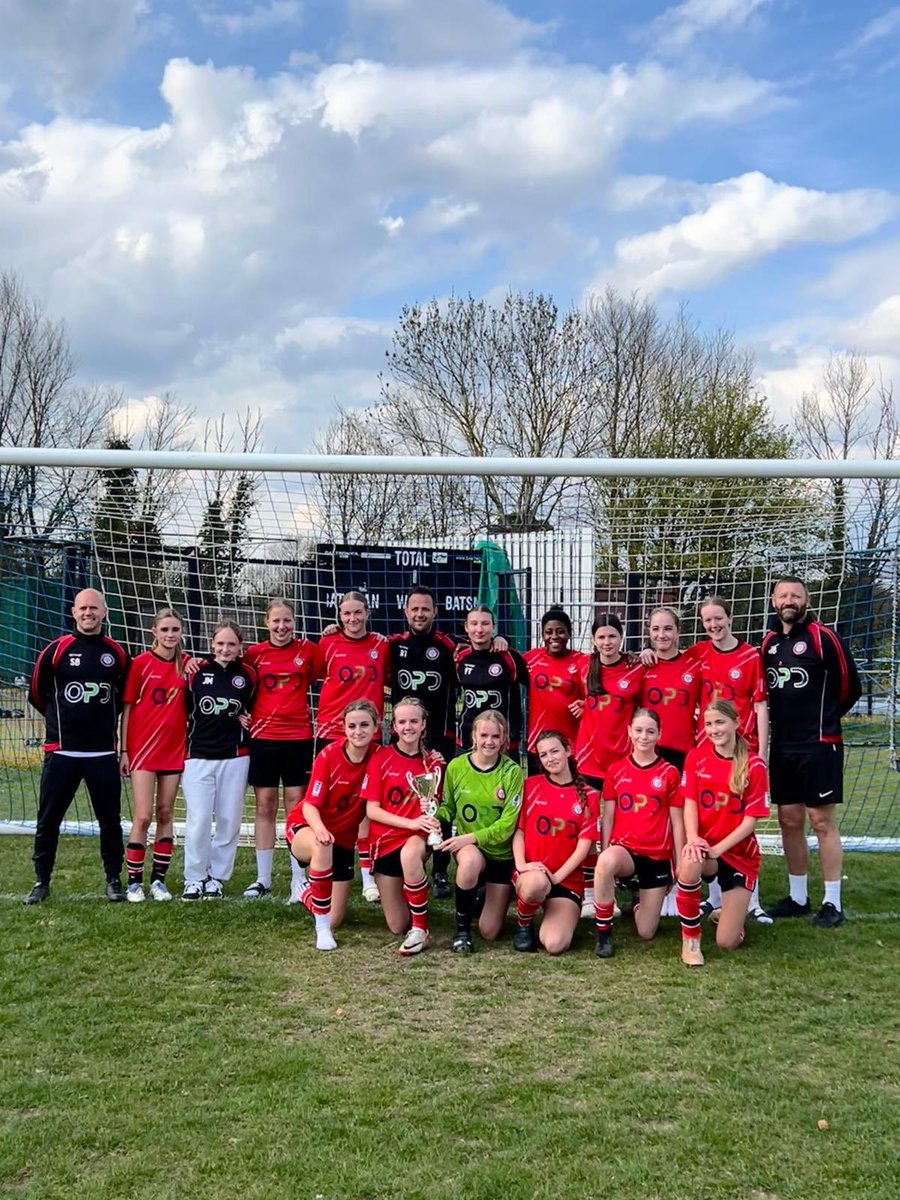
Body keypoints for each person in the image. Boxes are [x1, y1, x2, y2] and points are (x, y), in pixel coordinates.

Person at [761, 576, 861, 928]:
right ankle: (798, 897)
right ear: (774, 601)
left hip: (820, 745)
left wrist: (826, 721)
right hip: (783, 747)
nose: (789, 600)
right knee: (789, 820)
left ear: (806, 600)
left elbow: (850, 686)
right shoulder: (769, 643)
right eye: (783, 595)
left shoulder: (823, 636)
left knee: (821, 822)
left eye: (796, 595)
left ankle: (832, 902)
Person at [25, 588, 129, 905]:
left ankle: (113, 879)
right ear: (74, 612)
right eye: (83, 608)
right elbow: (37, 694)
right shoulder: (56, 650)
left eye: (94, 608)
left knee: (109, 821)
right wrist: (60, 724)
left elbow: (123, 700)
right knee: (48, 819)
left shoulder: (118, 654)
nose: (88, 613)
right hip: (62, 753)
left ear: (104, 612)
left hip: (102, 754)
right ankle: (41, 881)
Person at [689, 596, 770, 925]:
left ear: (730, 618)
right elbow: (671, 663)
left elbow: (761, 705)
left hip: (742, 750)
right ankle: (714, 898)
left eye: (718, 618)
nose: (713, 625)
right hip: (708, 749)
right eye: (707, 620)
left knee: (742, 819)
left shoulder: (751, 656)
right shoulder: (699, 653)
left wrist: (761, 752)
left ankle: (754, 900)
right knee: (711, 814)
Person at [675, 700, 770, 966]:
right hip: (707, 849)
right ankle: (690, 941)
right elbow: (689, 805)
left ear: (736, 723)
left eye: (720, 722)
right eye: (708, 724)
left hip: (739, 855)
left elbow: (750, 823)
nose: (714, 729)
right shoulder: (696, 757)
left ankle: (731, 919)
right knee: (691, 860)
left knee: (726, 943)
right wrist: (694, 839)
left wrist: (718, 849)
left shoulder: (754, 765)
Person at [285, 700, 381, 950]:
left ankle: (303, 887)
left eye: (364, 725)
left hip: (344, 839)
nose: (358, 731)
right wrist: (319, 829)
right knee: (322, 845)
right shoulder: (328, 756)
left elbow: (408, 761)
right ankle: (322, 931)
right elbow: (309, 805)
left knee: (336, 917)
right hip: (307, 827)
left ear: (375, 727)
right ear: (343, 728)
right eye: (352, 726)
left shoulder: (380, 757)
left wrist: (430, 755)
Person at [242, 600, 320, 902]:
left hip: (298, 738)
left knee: (296, 807)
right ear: (266, 623)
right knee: (264, 806)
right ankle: (262, 878)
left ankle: (298, 879)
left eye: (287, 620)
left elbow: (320, 672)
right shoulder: (254, 654)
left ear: (294, 621)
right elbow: (238, 685)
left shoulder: (308, 651)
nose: (282, 627)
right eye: (276, 621)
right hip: (263, 738)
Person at [317, 590, 391, 905]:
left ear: (367, 612)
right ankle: (317, 870)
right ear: (339, 616)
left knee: (365, 808)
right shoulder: (327, 643)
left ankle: (367, 878)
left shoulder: (381, 645)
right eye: (346, 614)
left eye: (358, 612)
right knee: (331, 804)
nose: (352, 619)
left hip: (367, 737)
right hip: (332, 733)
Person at [593, 708, 683, 958]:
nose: (644, 736)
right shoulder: (616, 770)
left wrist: (679, 863)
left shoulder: (670, 773)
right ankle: (603, 932)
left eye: (650, 731)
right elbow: (608, 817)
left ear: (659, 735)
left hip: (656, 857)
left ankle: (636, 906)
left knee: (646, 932)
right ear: (629, 732)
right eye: (639, 730)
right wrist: (604, 853)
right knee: (606, 862)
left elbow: (677, 822)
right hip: (626, 852)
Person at [388, 586, 459, 898]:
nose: (419, 614)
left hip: (439, 739)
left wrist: (499, 642)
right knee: (401, 801)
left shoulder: (449, 647)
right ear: (406, 612)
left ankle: (441, 871)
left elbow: (478, 660)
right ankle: (397, 862)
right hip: (401, 740)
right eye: (414, 609)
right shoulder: (393, 646)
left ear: (435, 612)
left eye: (425, 609)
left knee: (440, 805)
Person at [574, 613, 645, 917]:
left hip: (622, 763)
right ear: (593, 640)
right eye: (601, 637)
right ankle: (591, 893)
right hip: (589, 760)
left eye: (612, 636)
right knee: (589, 827)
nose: (606, 642)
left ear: (621, 637)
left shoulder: (636, 667)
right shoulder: (582, 667)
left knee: (618, 827)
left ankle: (620, 885)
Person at [436, 711, 524, 953]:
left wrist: (471, 836)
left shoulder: (512, 771)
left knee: (489, 931)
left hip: (499, 854)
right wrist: (432, 817)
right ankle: (461, 931)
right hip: (470, 850)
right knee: (471, 861)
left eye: (495, 736)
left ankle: (481, 893)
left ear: (504, 737)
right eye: (483, 735)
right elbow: (447, 807)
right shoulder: (456, 767)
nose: (489, 741)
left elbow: (507, 825)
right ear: (473, 736)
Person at [181, 621, 257, 900]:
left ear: (240, 647)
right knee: (199, 819)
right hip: (197, 756)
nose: (225, 649)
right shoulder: (195, 672)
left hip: (236, 757)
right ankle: (194, 877)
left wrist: (249, 718)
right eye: (220, 644)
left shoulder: (248, 674)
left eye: (231, 644)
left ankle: (216, 878)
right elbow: (183, 711)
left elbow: (255, 708)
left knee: (228, 820)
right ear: (212, 645)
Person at [363, 697, 444, 955]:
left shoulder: (434, 763)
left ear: (423, 725)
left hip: (416, 837)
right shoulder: (380, 758)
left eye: (414, 721)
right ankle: (413, 896)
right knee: (397, 924)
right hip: (385, 841)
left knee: (410, 854)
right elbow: (371, 810)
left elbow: (435, 805)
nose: (408, 726)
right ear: (394, 727)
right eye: (402, 722)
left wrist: (429, 818)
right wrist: (409, 821)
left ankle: (421, 929)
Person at [119, 608, 189, 902]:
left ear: (181, 633)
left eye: (175, 630)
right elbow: (127, 708)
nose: (170, 635)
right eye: (165, 630)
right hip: (143, 750)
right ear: (154, 633)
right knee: (143, 815)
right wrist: (123, 749)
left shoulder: (187, 666)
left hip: (173, 750)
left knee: (165, 813)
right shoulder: (140, 664)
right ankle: (133, 882)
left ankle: (158, 882)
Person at [512, 730, 598, 955]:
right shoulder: (530, 785)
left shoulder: (589, 796)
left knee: (554, 944)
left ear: (568, 751)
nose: (550, 758)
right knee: (535, 885)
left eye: (554, 751)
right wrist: (522, 866)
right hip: (533, 873)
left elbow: (584, 847)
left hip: (566, 880)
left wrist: (557, 878)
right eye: (543, 755)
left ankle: (550, 913)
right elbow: (519, 832)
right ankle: (524, 923)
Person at [456, 606, 529, 759]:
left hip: (503, 742)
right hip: (468, 739)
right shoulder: (460, 658)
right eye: (474, 624)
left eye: (485, 624)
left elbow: (534, 686)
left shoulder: (509, 658)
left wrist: (503, 638)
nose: (479, 629)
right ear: (466, 627)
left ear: (493, 627)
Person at [639, 607, 702, 775]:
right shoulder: (641, 667)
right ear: (649, 632)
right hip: (648, 750)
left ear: (678, 631)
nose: (661, 635)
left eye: (668, 629)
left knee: (681, 802)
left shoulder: (694, 667)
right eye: (655, 629)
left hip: (683, 752)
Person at [523, 608, 585, 775]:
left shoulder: (582, 661)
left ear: (569, 634)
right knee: (540, 794)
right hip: (538, 745)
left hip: (570, 745)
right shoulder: (531, 659)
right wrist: (501, 638)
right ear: (543, 635)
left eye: (560, 632)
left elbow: (605, 681)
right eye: (548, 632)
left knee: (571, 795)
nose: (554, 637)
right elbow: (505, 659)